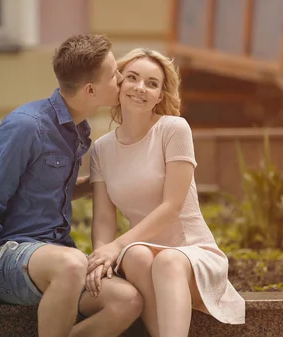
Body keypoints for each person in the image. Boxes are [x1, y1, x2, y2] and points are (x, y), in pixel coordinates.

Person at [0, 34, 144, 337]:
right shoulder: (26, 126)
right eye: (114, 74)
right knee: (73, 265)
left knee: (127, 301)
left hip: (55, 259)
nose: (120, 79)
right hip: (7, 260)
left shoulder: (76, 130)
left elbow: (48, 190)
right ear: (90, 90)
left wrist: (101, 183)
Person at [85, 48, 246, 337]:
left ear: (160, 95)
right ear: (119, 83)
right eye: (132, 78)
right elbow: (104, 221)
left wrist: (116, 246)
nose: (140, 88)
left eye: (152, 83)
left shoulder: (174, 129)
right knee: (135, 255)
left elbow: (172, 206)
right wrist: (101, 256)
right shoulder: (102, 149)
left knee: (167, 260)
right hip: (143, 254)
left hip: (191, 252)